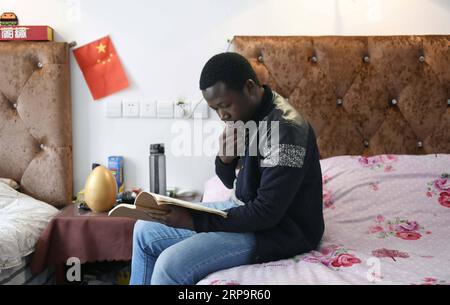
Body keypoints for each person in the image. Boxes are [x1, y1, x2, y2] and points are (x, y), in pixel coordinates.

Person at [130, 52, 324, 285]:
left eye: (225, 105)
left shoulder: (287, 132)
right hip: (247, 210)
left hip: (280, 232)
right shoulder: (248, 115)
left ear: (250, 88)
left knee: (170, 265)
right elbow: (229, 182)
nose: (222, 116)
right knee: (145, 230)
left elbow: (266, 214)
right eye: (215, 109)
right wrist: (224, 159)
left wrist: (194, 221)